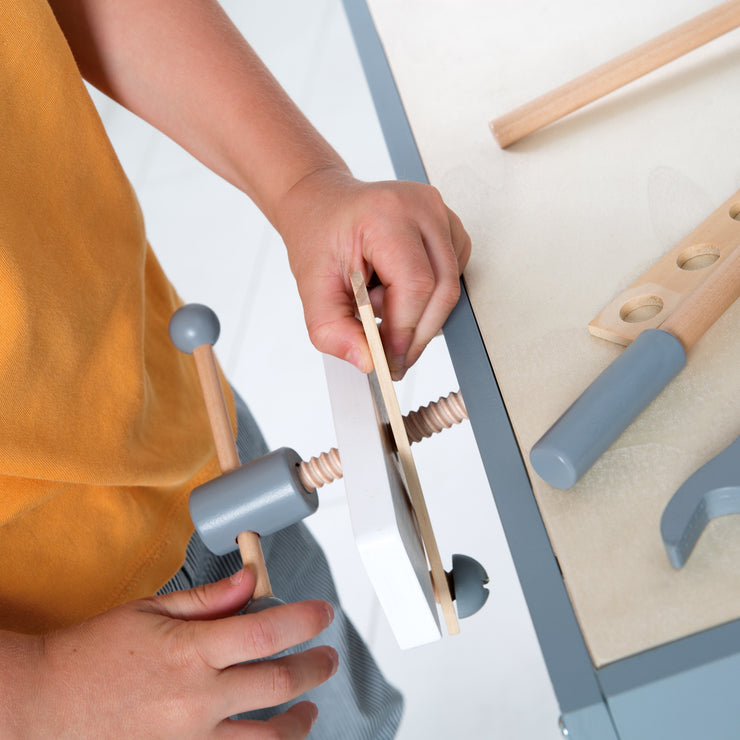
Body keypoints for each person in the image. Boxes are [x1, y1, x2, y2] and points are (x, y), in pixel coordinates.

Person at [0, 0, 471, 737]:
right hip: (61, 674)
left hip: (182, 427)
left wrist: (303, 183)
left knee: (343, 715)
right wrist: (35, 694)